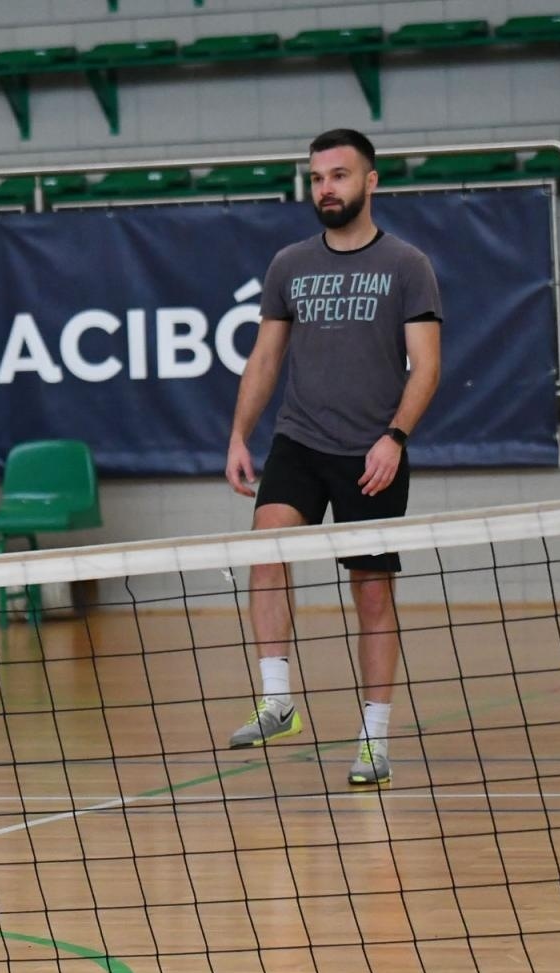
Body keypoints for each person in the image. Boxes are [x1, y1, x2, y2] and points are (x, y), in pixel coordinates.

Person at [225, 128, 442, 788]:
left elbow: (427, 367)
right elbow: (265, 359)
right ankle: (276, 701)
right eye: (318, 177)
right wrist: (240, 435)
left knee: (371, 591)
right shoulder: (289, 264)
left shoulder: (407, 265)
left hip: (372, 453)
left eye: (340, 176)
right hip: (299, 440)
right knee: (267, 547)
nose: (327, 187)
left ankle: (374, 739)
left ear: (370, 182)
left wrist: (394, 438)